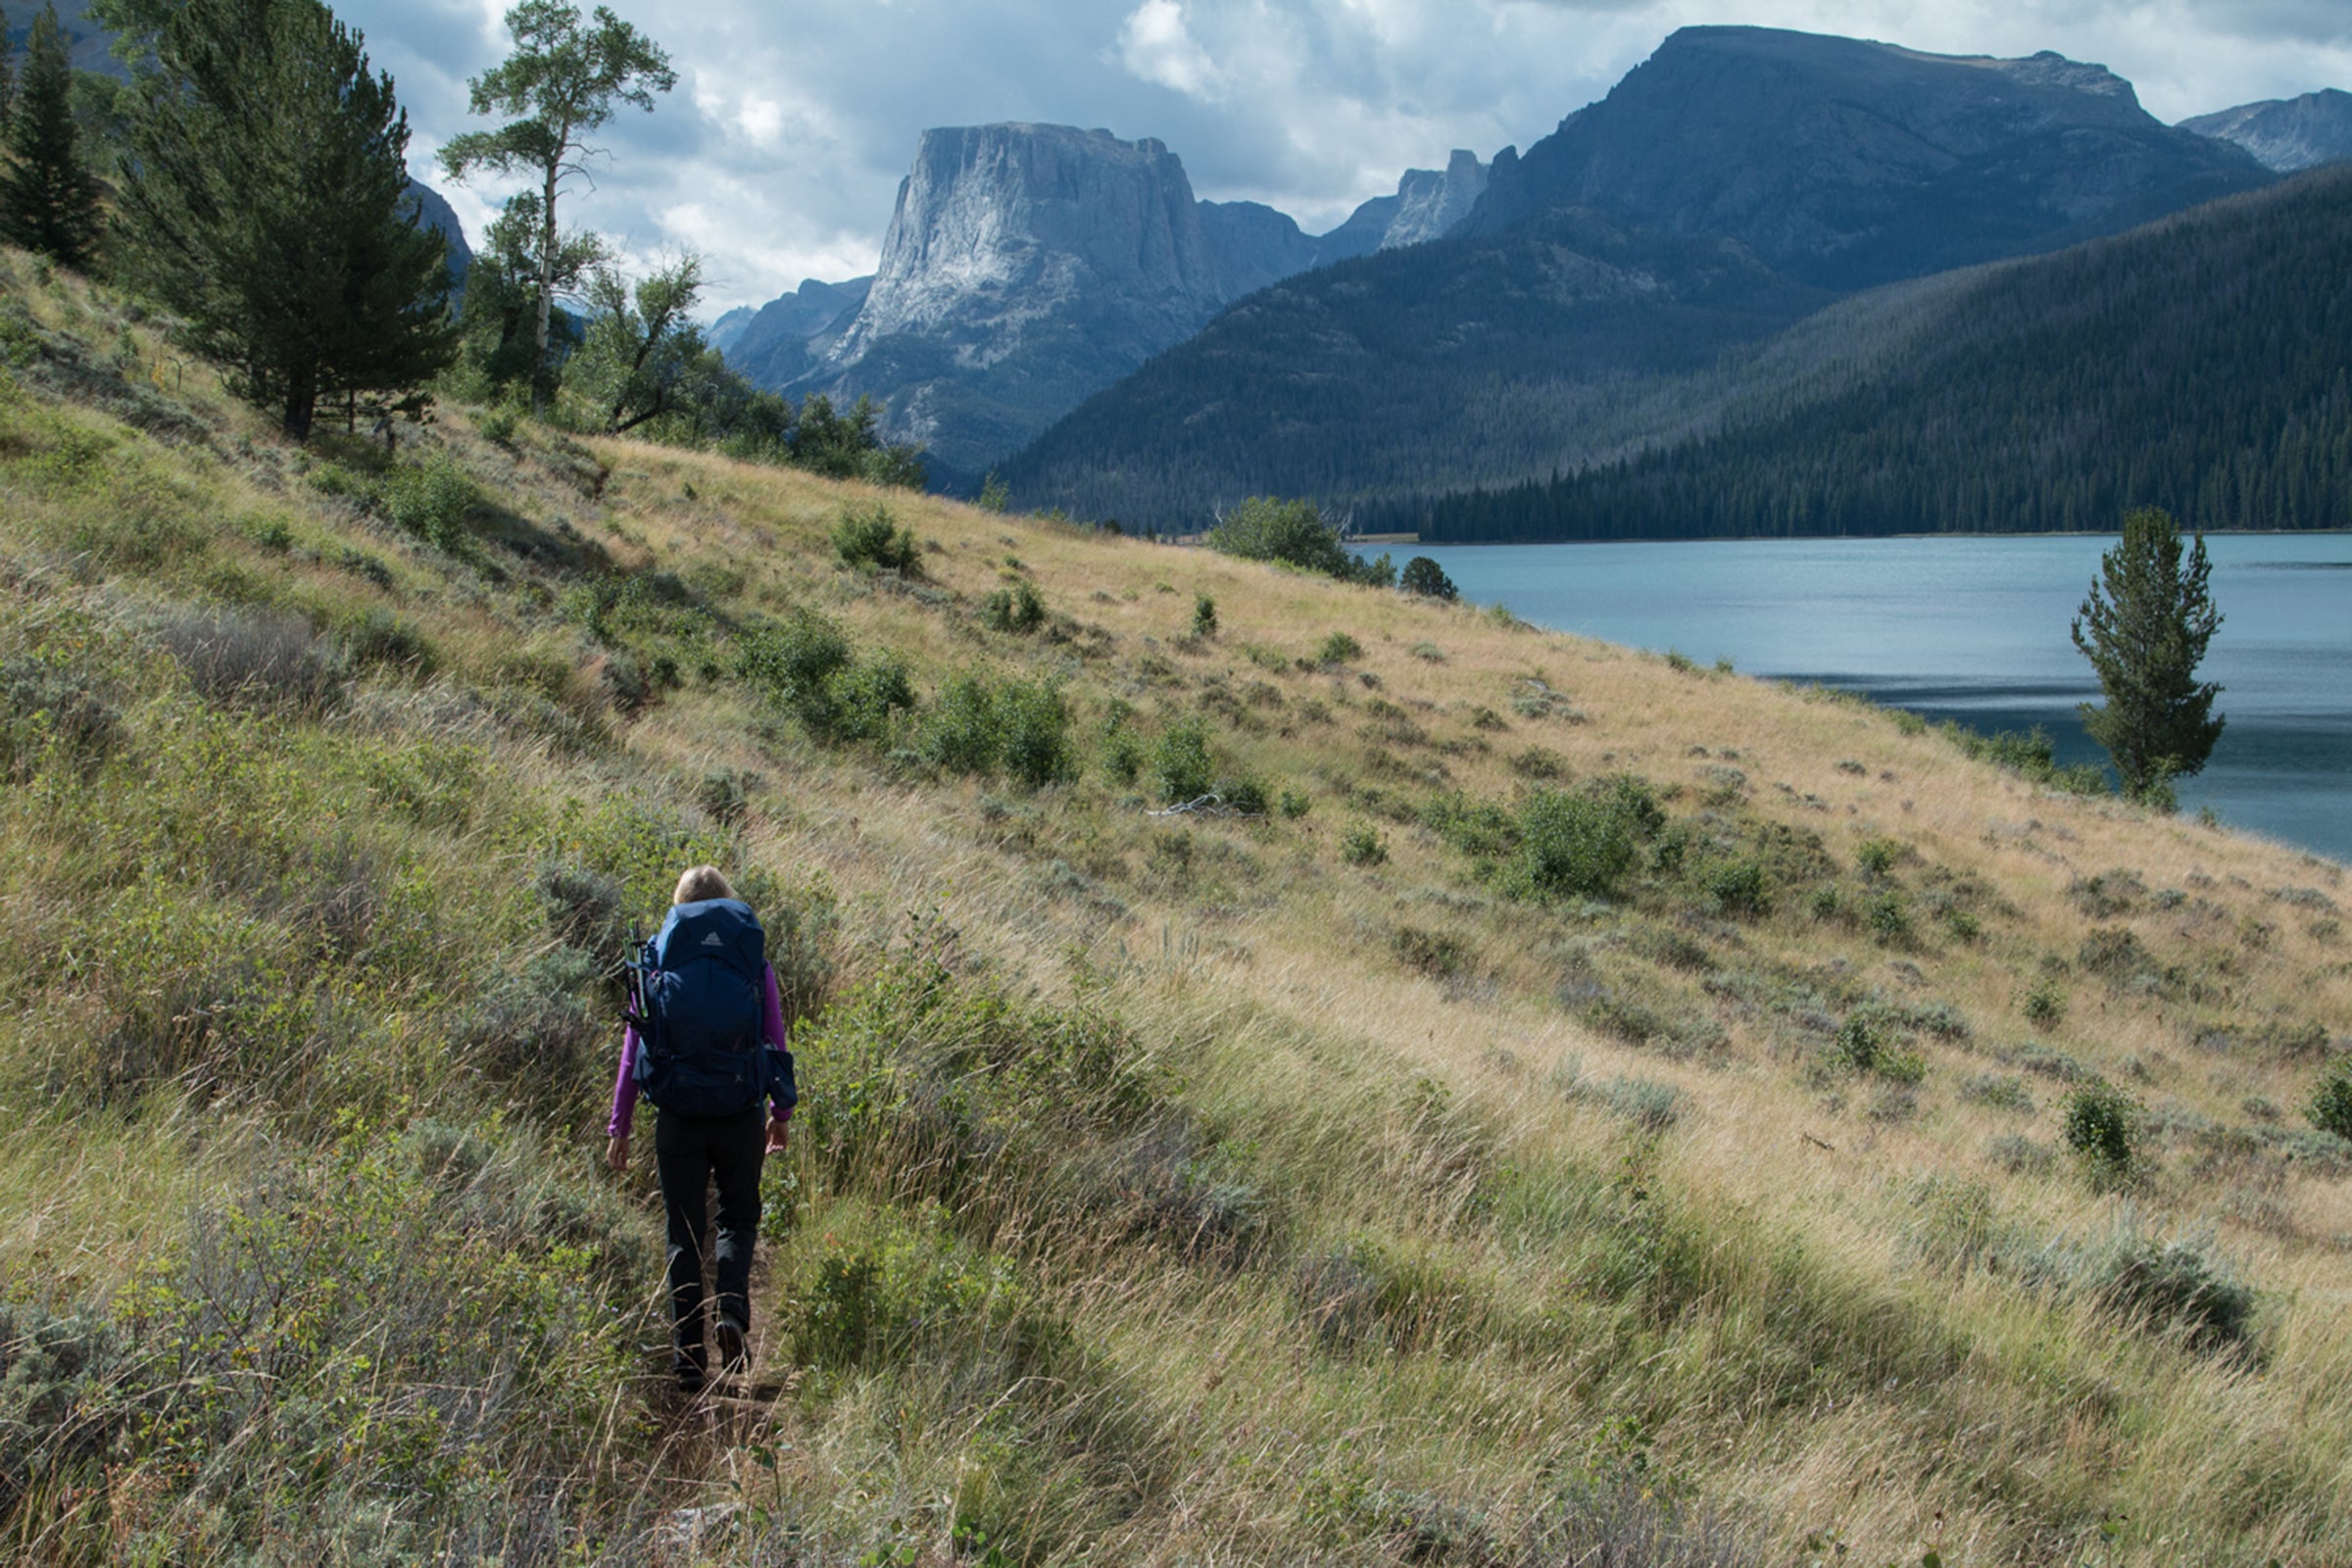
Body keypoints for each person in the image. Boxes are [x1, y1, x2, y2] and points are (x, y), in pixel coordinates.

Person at [607, 865, 797, 1392]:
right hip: (739, 1114)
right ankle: (732, 1313)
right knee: (737, 1219)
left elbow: (632, 1051)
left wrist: (619, 1124)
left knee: (683, 1234)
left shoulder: (657, 958)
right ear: (728, 903)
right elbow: (775, 1040)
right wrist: (779, 1116)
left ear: (679, 905)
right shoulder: (751, 961)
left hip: (678, 1119)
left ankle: (688, 1360)